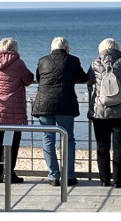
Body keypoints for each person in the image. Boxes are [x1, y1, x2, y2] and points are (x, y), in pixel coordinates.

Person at [32, 37, 87, 186]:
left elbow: (39, 78)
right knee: (68, 139)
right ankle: (69, 176)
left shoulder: (42, 60)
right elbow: (83, 77)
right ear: (67, 48)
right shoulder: (73, 60)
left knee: (48, 139)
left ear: (52, 49)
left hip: (43, 104)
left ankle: (54, 176)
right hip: (65, 104)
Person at [0, 37, 34, 183]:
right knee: (12, 144)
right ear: (15, 49)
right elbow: (28, 79)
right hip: (12, 111)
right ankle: (9, 173)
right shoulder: (18, 63)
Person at [87, 38, 121, 188]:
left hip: (100, 111)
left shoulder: (95, 63)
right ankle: (118, 180)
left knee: (102, 145)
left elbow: (89, 79)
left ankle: (104, 179)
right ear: (117, 48)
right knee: (120, 146)